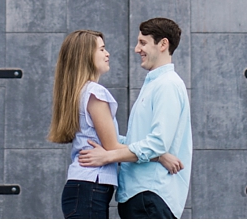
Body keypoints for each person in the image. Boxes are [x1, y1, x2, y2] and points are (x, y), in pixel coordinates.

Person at [49, 29, 183, 219]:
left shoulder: (80, 92)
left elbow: (109, 141)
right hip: (90, 187)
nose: (107, 54)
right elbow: (112, 147)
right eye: (102, 49)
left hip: (83, 187)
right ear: (86, 55)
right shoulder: (96, 93)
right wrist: (159, 156)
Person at [78, 18, 192, 219]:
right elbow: (138, 141)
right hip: (140, 195)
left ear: (163, 44)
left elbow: (158, 142)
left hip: (150, 195)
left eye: (143, 42)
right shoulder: (154, 84)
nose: (136, 49)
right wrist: (106, 139)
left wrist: (109, 156)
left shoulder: (167, 85)